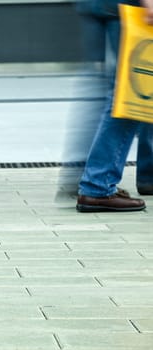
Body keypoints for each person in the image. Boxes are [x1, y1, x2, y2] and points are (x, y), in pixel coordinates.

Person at [74, 0, 153, 212]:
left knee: (137, 89)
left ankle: (141, 175)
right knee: (128, 95)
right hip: (128, 6)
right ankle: (97, 186)